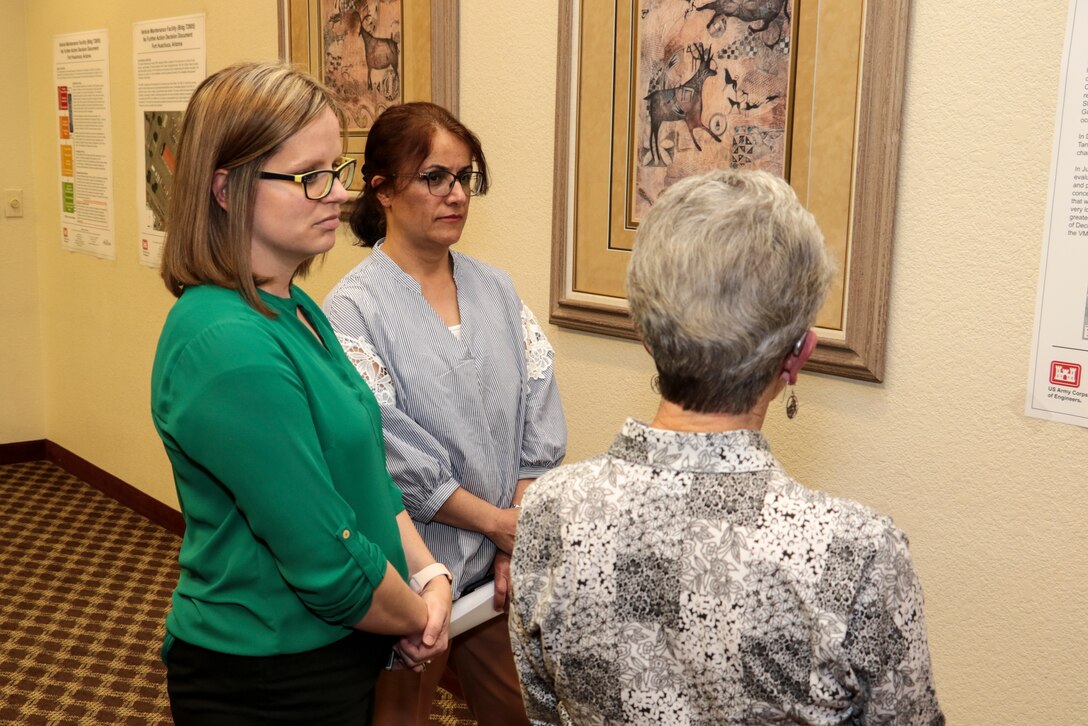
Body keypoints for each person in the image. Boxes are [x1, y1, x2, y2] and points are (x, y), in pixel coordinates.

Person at [509, 169, 944, 725]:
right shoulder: (858, 554)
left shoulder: (550, 508)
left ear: (644, 334)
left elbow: (544, 710)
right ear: (797, 356)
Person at [150, 63, 452, 725]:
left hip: (338, 646)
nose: (338, 195)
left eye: (337, 171)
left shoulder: (295, 306)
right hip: (267, 676)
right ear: (227, 190)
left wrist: (428, 576)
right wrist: (419, 617)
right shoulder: (225, 343)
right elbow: (325, 559)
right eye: (310, 176)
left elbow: (361, 476)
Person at [323, 101, 567, 726]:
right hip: (411, 572)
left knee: (522, 713)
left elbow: (537, 414)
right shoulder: (352, 310)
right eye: (434, 177)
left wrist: (514, 537)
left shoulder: (498, 289)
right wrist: (500, 524)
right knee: (398, 718)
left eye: (465, 177)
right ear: (382, 190)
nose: (456, 194)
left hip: (500, 565)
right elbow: (389, 454)